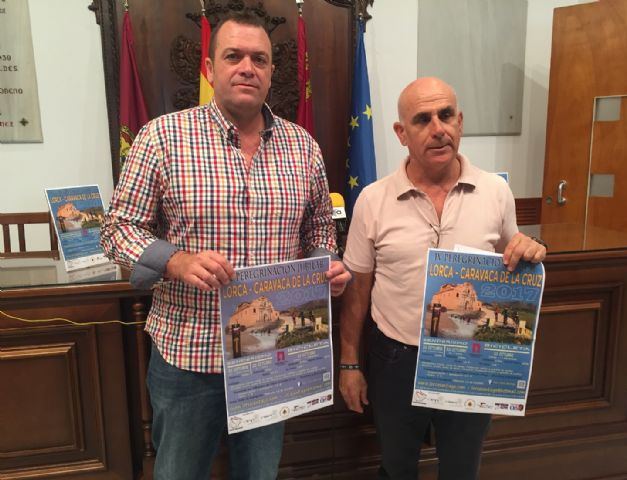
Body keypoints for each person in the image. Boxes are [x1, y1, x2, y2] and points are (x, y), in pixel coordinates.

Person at [101, 12, 351, 480]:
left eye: (260, 59)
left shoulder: (303, 146)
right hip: (189, 354)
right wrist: (175, 260)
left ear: (271, 72)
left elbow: (319, 228)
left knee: (260, 473)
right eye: (233, 56)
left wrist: (325, 267)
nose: (247, 68)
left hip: (272, 352)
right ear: (210, 69)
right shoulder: (162, 137)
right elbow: (117, 229)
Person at [338, 77, 546, 480]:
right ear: (401, 133)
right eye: (422, 119)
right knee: (396, 467)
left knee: (461, 469)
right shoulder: (373, 199)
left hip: (470, 357)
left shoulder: (495, 191)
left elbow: (513, 259)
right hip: (396, 358)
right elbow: (358, 289)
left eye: (446, 115)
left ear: (460, 121)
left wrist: (532, 248)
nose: (438, 129)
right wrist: (349, 363)